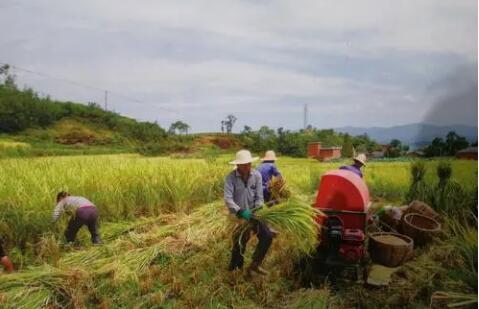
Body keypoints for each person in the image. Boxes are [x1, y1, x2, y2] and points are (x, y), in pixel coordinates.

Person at [224, 150, 273, 276]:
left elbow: (259, 197)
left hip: (254, 213)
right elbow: (228, 199)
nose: (247, 166)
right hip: (238, 216)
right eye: (244, 164)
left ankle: (255, 265)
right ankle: (235, 269)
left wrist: (257, 209)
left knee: (267, 235)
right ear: (238, 165)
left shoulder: (256, 175)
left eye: (249, 163)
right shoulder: (230, 178)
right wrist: (240, 211)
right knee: (240, 242)